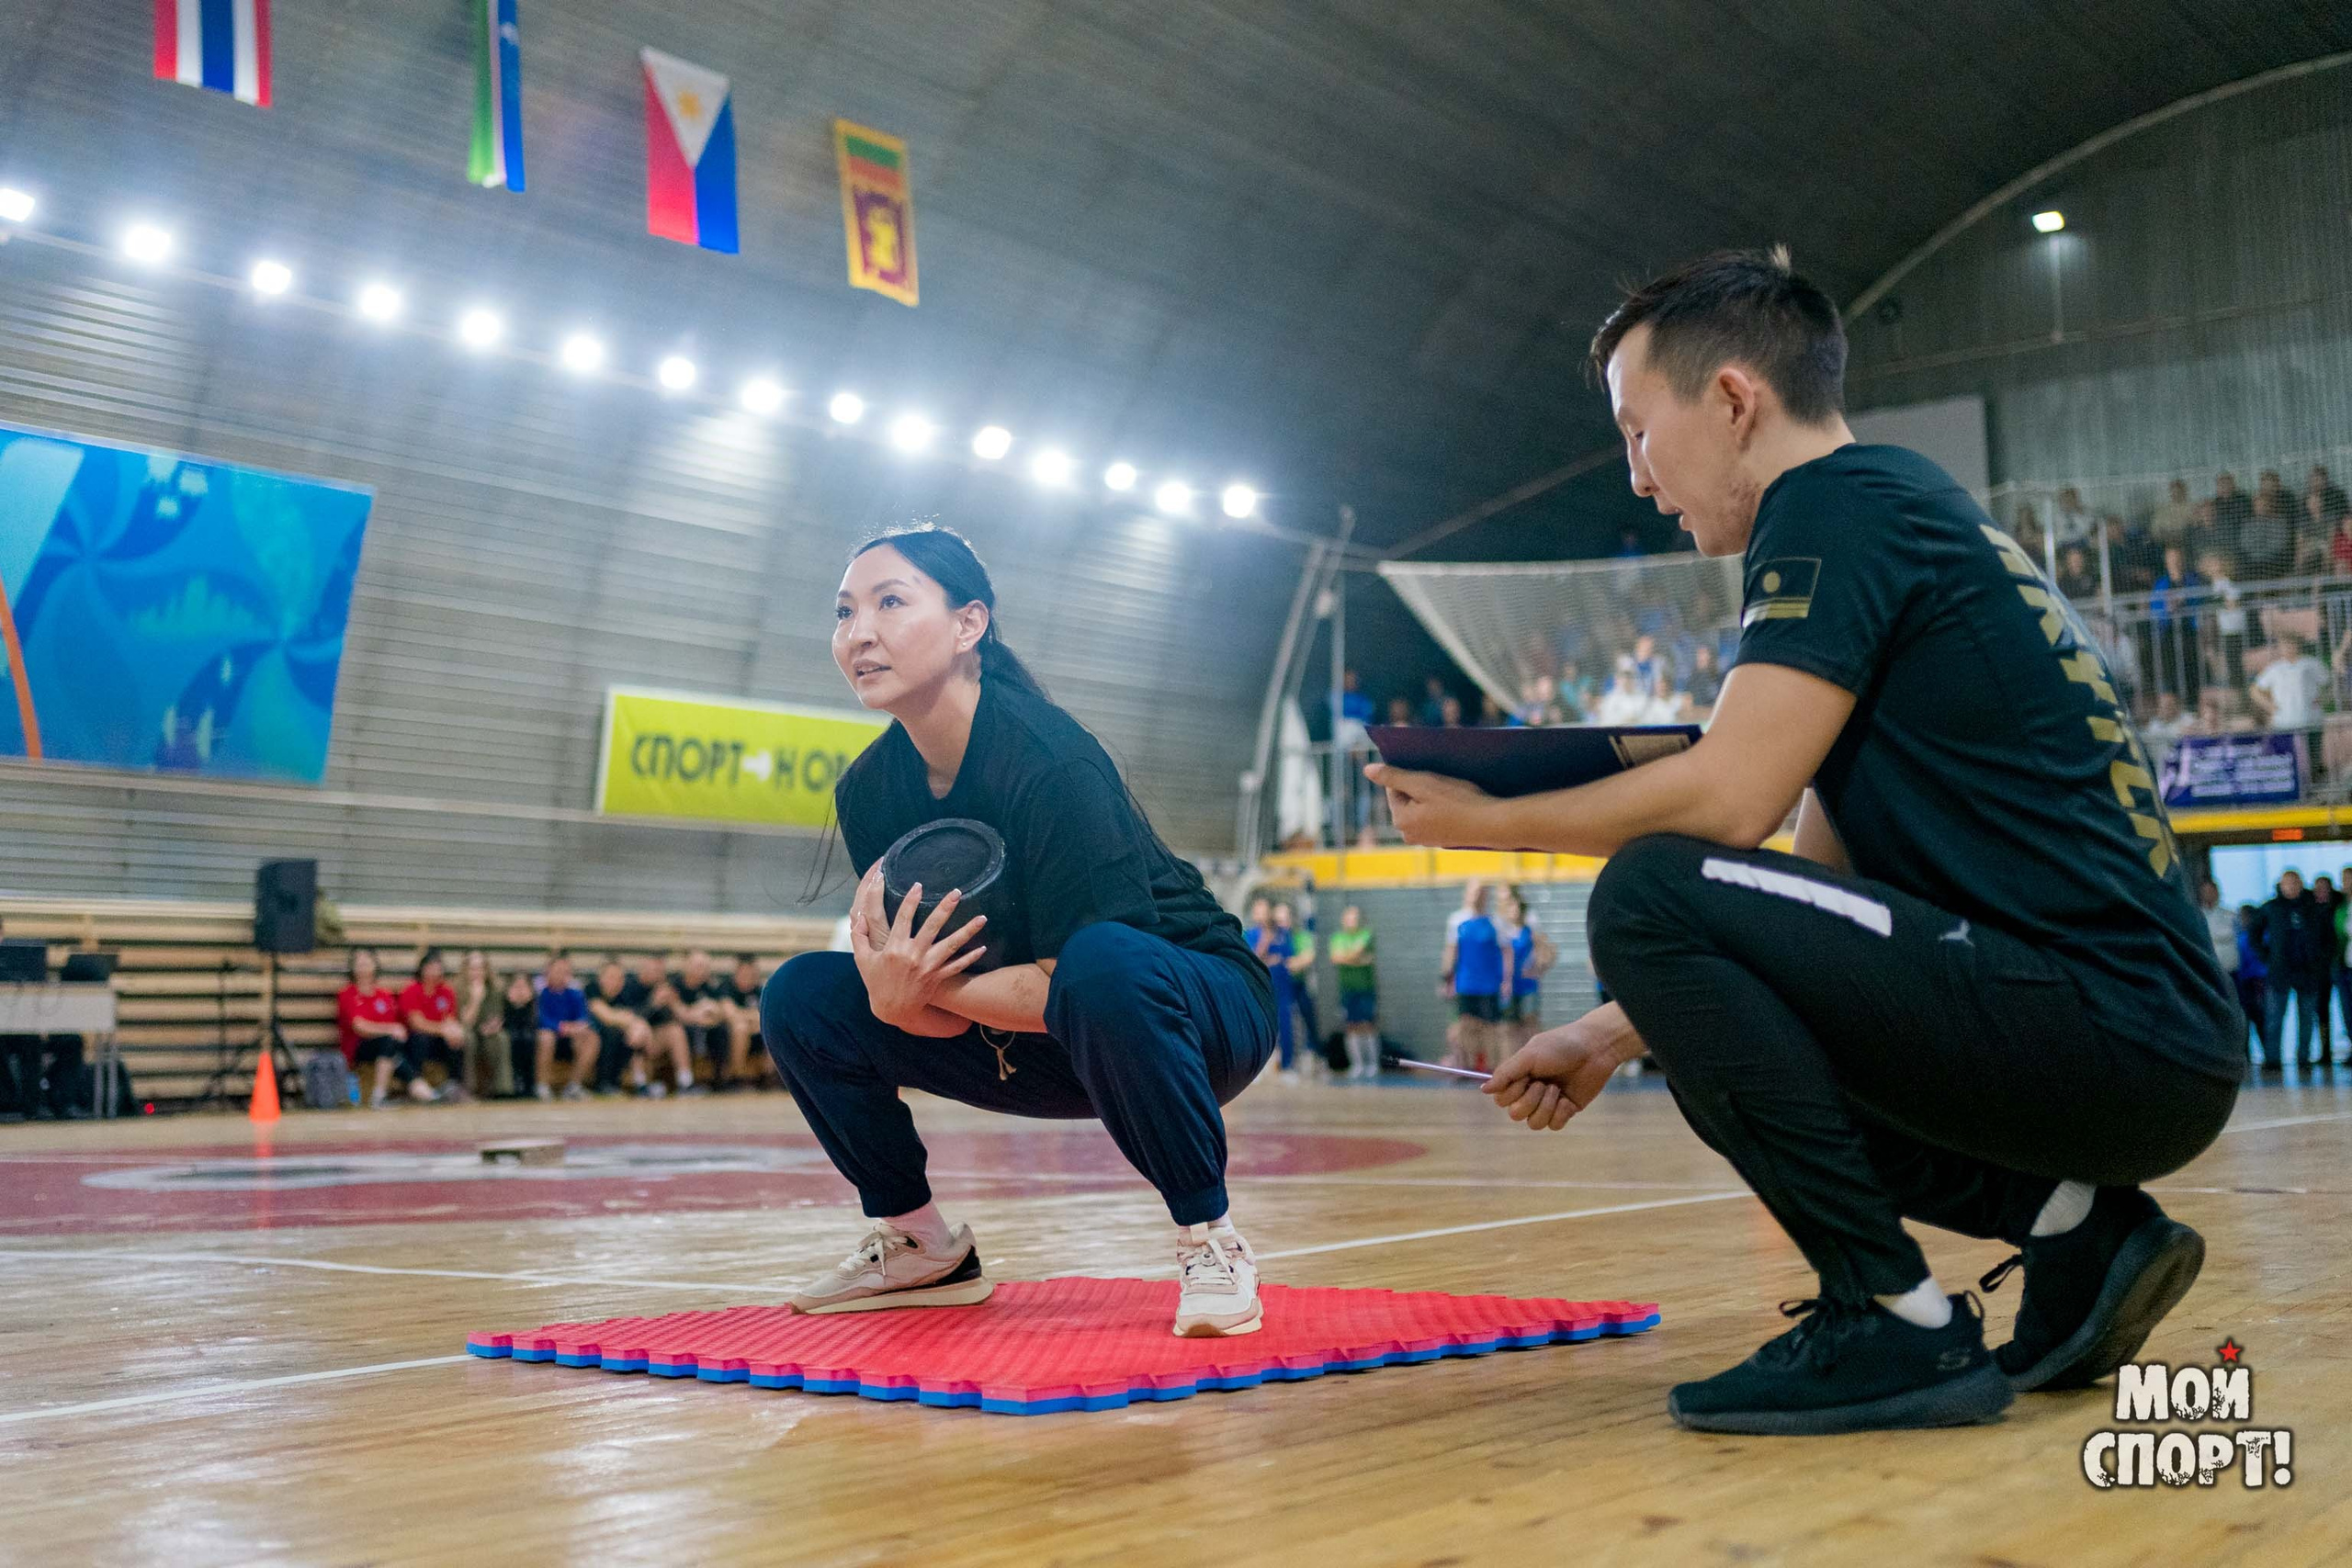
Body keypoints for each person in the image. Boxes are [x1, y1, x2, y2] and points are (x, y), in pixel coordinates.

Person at [1369, 248, 2238, 1435]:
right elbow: (1818, 871)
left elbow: (1728, 804)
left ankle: (1893, 1320)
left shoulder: (1831, 509)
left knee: (1646, 891)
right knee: (1700, 986)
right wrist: (1607, 1032)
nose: (1636, 476)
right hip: (2130, 1038)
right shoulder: (1903, 507)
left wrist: (1489, 822)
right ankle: (2076, 1226)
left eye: (1637, 431)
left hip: (2100, 1024)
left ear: (1732, 399)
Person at [761, 524, 1277, 1337]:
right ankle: (920, 1243)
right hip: (1038, 1038)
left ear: (969, 626)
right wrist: (896, 1003)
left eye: (890, 602)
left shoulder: (1051, 762)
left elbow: (1078, 981)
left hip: (1191, 1012)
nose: (859, 633)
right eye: (844, 611)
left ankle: (1210, 1237)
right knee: (801, 995)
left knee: (1101, 962)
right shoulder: (868, 791)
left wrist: (914, 992)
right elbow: (945, 1011)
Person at [338, 947, 423, 1111]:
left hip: (385, 1050)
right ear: (353, 968)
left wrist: (395, 1030)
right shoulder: (347, 994)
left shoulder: (384, 995)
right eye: (359, 963)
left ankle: (427, 1094)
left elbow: (398, 1027)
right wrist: (390, 1029)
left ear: (375, 965)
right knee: (389, 1043)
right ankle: (379, 1095)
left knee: (404, 1048)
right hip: (357, 1049)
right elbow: (359, 1027)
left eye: (367, 962)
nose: (363, 966)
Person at [1441, 879, 1506, 1074]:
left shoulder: (1495, 922)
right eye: (1473, 891)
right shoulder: (1456, 920)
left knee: (1490, 1027)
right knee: (1464, 1027)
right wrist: (1446, 979)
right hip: (1465, 983)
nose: (1477, 896)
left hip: (1489, 984)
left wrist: (1506, 980)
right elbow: (1451, 951)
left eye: (1480, 891)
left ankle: (1491, 1067)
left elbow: (1505, 951)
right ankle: (1465, 1067)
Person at [618, 953, 696, 1097]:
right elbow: (630, 1017)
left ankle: (685, 1082)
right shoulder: (630, 986)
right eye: (656, 971)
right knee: (640, 1029)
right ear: (644, 968)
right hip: (631, 1037)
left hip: (655, 1039)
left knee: (675, 1030)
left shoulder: (664, 987)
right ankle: (640, 1084)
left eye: (661, 971)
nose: (659, 975)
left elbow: (672, 1019)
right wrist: (653, 1003)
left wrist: (672, 1004)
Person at [397, 950, 468, 1103]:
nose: (434, 972)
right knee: (420, 1038)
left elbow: (449, 1019)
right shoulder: (411, 990)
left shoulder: (446, 991)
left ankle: (454, 1084)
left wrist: (452, 1031)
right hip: (413, 1041)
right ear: (422, 969)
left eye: (438, 967)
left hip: (438, 1040)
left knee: (456, 1039)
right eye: (430, 967)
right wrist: (443, 1029)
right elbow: (417, 1023)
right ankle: (418, 1084)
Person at [1498, 887, 1556, 1057]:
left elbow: (1549, 953)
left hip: (1528, 986)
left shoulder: (1530, 932)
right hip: (1510, 986)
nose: (1514, 911)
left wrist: (1537, 968)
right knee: (1510, 1026)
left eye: (1517, 907)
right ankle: (1512, 1059)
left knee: (1530, 1023)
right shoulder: (1503, 933)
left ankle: (1536, 1057)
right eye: (1510, 907)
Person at [533, 953, 600, 1101]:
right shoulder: (541, 993)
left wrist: (577, 1028)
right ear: (548, 972)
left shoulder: (575, 994)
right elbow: (540, 1018)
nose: (561, 975)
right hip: (550, 1034)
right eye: (557, 971)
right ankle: (542, 1085)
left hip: (570, 1037)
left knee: (591, 1038)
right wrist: (561, 1027)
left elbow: (583, 1017)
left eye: (566, 972)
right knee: (546, 1037)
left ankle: (574, 1086)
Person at [585, 955, 656, 1095]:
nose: (616, 982)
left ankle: (640, 1083)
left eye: (619, 978)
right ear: (601, 978)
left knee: (634, 1036)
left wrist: (639, 1027)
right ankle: (603, 1083)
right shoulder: (592, 989)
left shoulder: (623, 995)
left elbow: (630, 1017)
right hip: (586, 1039)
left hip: (615, 1040)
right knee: (613, 1032)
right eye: (611, 977)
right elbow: (606, 1016)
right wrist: (637, 1024)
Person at [1329, 905, 1380, 1078]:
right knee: (1351, 1025)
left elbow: (1357, 953)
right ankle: (1357, 1064)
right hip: (1347, 988)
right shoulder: (1338, 937)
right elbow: (1336, 957)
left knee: (1368, 1025)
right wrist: (1357, 960)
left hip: (1365, 988)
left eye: (1355, 918)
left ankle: (1372, 1064)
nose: (1352, 921)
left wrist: (1347, 957)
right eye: (1349, 917)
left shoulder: (1367, 934)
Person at [457, 950, 513, 1098]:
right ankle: (470, 1088)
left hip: (486, 1031)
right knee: (468, 1038)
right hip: (467, 1030)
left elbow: (497, 1016)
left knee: (501, 1038)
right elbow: (465, 1022)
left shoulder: (495, 989)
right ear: (466, 970)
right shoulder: (459, 989)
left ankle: (502, 1088)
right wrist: (476, 999)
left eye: (481, 968)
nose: (477, 972)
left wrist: (494, 1026)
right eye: (473, 968)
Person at [668, 949, 727, 1089]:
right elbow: (679, 1013)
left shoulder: (710, 985)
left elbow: (719, 1011)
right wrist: (699, 1013)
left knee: (722, 1031)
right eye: (699, 966)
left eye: (705, 967)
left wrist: (706, 1015)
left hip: (706, 1026)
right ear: (687, 965)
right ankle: (685, 1083)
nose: (703, 971)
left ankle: (722, 1079)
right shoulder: (674, 984)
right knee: (678, 1032)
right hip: (682, 1028)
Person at [2250, 632, 2327, 733]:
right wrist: (2269, 706)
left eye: (2291, 644)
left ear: (2298, 645)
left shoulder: (2311, 664)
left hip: (2310, 718)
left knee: (2312, 747)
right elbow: (2254, 691)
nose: (2287, 648)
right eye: (2284, 645)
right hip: (2283, 721)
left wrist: (2324, 698)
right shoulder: (2274, 668)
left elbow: (2330, 683)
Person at [717, 953, 771, 1089]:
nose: (748, 977)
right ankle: (737, 1077)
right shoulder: (726, 987)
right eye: (744, 973)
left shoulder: (760, 990)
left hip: (755, 1033)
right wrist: (752, 1016)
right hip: (725, 1035)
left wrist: (754, 1020)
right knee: (740, 1028)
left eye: (751, 973)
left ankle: (771, 1076)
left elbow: (766, 1016)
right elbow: (730, 1014)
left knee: (772, 1028)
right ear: (737, 972)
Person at [2234, 904, 2273, 1066]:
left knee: (2260, 1017)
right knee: (2244, 1019)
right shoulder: (2239, 935)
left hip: (2258, 981)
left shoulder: (2260, 936)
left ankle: (2268, 1054)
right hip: (2242, 981)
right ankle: (2245, 1056)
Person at [497, 968, 542, 1097]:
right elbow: (506, 1021)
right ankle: (514, 1082)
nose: (520, 990)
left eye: (524, 986)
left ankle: (529, 1083)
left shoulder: (533, 1003)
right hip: (511, 1031)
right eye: (516, 986)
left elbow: (532, 1022)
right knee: (513, 1039)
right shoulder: (504, 1002)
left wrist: (525, 1003)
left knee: (528, 1039)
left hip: (528, 1033)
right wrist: (514, 1004)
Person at [1591, 660, 1649, 726]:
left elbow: (1649, 719)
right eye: (1623, 676)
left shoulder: (1643, 698)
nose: (1626, 680)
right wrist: (1624, 720)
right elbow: (1605, 722)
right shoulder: (1610, 699)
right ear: (1617, 679)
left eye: (1629, 677)